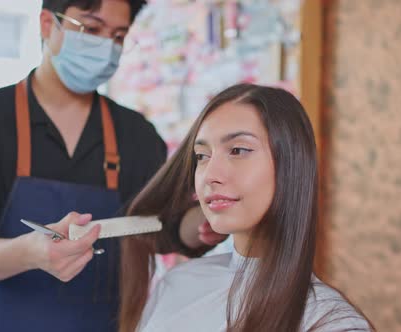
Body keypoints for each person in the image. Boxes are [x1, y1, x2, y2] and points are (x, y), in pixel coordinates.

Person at [0, 1, 225, 331]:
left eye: (118, 36)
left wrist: (203, 225)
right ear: (46, 25)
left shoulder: (137, 136)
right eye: (91, 29)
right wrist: (29, 252)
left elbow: (161, 229)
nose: (106, 47)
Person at [119, 84, 374, 332]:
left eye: (238, 150)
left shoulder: (331, 322)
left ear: (291, 165)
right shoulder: (177, 284)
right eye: (202, 156)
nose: (210, 175)